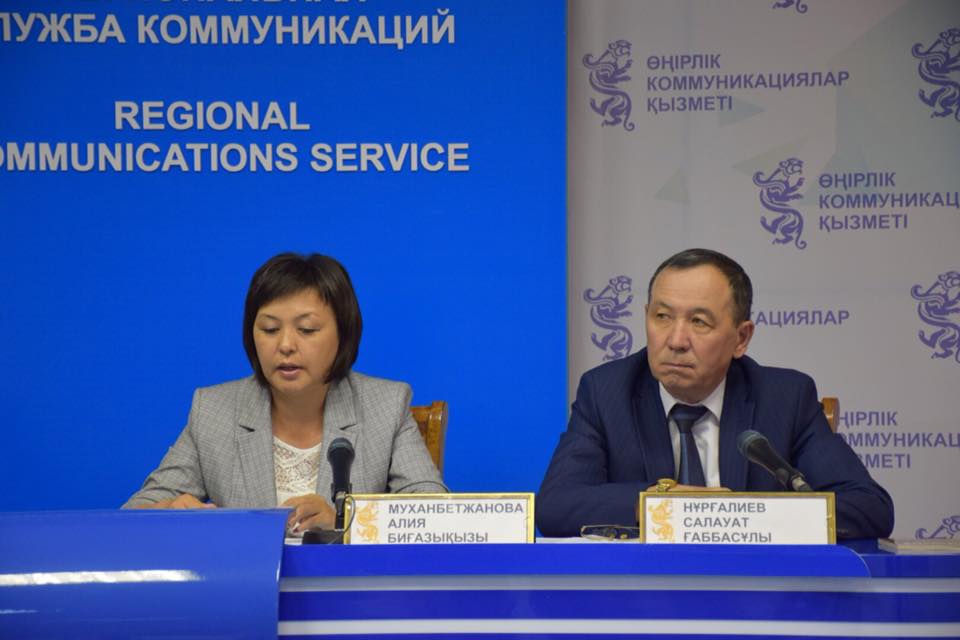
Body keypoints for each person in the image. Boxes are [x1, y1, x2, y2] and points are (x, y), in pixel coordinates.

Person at [537, 248, 894, 539]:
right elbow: (555, 505)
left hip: (756, 593)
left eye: (699, 322)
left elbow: (869, 508)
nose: (676, 340)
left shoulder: (785, 398)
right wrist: (661, 502)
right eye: (662, 316)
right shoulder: (607, 392)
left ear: (741, 338)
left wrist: (732, 515)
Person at [124, 253, 446, 535]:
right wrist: (168, 511)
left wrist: (344, 523)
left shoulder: (386, 406)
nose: (286, 345)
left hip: (348, 586)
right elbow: (130, 516)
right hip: (246, 585)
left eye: (306, 330)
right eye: (270, 329)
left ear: (343, 334)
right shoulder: (214, 411)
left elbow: (435, 517)